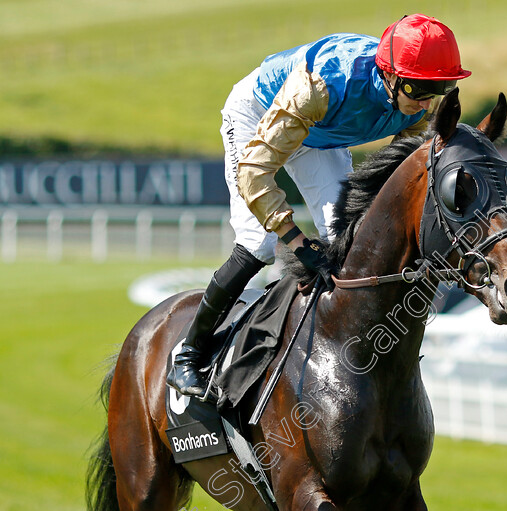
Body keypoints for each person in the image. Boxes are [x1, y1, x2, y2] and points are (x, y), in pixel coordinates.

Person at [167, 14, 472, 398]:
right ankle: (188, 354)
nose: (426, 101)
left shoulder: (416, 97)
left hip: (318, 136)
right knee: (258, 243)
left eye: (439, 88)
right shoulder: (321, 84)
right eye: (418, 87)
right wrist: (295, 241)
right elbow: (253, 174)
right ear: (390, 75)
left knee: (349, 241)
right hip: (261, 113)